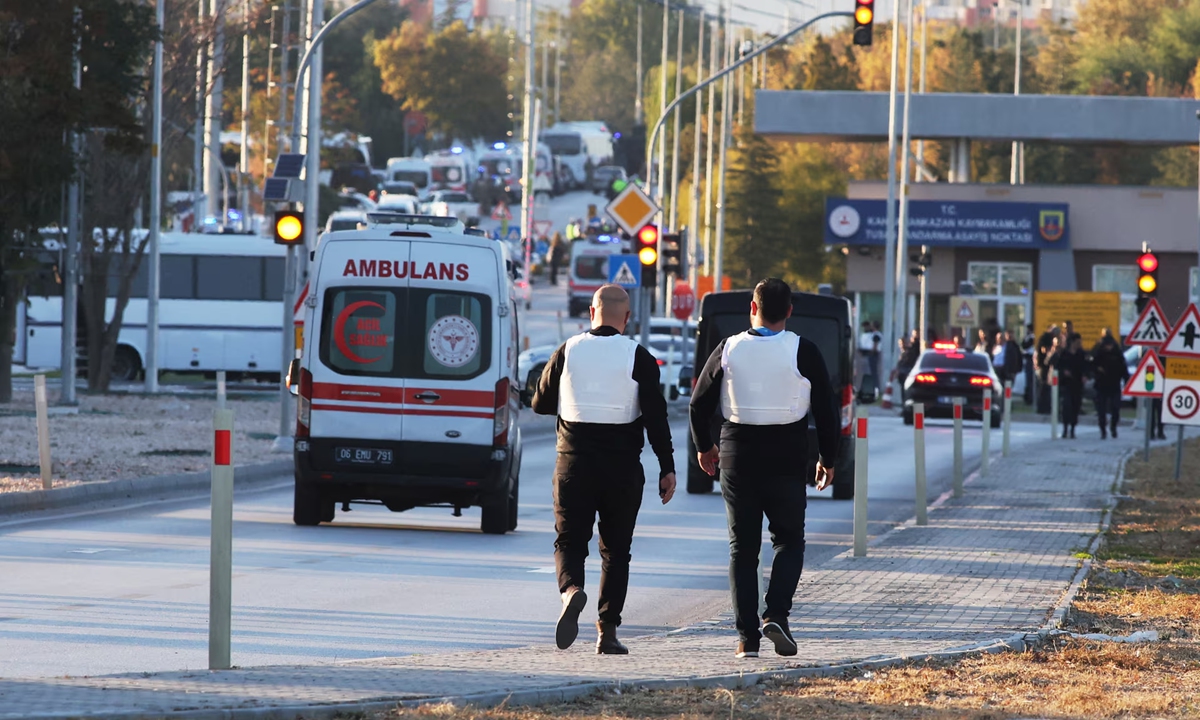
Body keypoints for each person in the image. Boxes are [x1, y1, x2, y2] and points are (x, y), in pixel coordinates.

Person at [689, 278, 840, 659]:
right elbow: (826, 409)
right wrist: (828, 458)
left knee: (743, 548)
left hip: (737, 451)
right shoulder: (803, 350)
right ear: (789, 311)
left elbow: (698, 404)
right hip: (788, 451)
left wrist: (704, 448)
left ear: (752, 308)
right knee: (789, 540)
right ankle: (776, 614)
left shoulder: (728, 349)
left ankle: (746, 639)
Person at [531, 284, 677, 654]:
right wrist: (667, 467)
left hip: (573, 464)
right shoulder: (639, 357)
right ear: (627, 318)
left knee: (569, 541)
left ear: (591, 312)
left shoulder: (567, 350)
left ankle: (571, 592)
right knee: (616, 552)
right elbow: (656, 418)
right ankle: (607, 632)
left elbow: (539, 403)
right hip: (622, 470)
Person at [1091, 328, 1129, 439]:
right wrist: (1097, 370)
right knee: (1101, 411)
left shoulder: (1116, 351)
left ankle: (1113, 427)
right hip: (1101, 385)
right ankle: (1103, 430)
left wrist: (1126, 381)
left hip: (1114, 384)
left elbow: (1123, 367)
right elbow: (1092, 364)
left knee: (1115, 409)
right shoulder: (1098, 349)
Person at [1054, 333, 1087, 439]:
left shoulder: (1081, 354)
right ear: (1072, 342)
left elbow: (1086, 367)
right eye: (1077, 342)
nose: (1079, 344)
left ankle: (1072, 429)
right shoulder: (1065, 354)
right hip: (1066, 384)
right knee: (1066, 407)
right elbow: (1058, 366)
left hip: (1077, 385)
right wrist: (1064, 372)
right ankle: (1065, 429)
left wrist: (1085, 376)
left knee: (1075, 407)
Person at [1035, 324, 1061, 414]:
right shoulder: (1045, 338)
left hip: (1048, 365)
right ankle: (1042, 408)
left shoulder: (1050, 338)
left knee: (1048, 388)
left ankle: (1048, 407)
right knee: (1044, 387)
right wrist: (1050, 351)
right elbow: (1043, 350)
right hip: (1044, 365)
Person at [1021, 323, 1036, 405]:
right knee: (1028, 380)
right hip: (1027, 358)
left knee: (1030, 380)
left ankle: (1030, 398)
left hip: (1030, 358)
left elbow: (1025, 345)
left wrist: (1026, 338)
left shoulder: (1032, 337)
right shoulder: (1028, 337)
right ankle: (1028, 397)